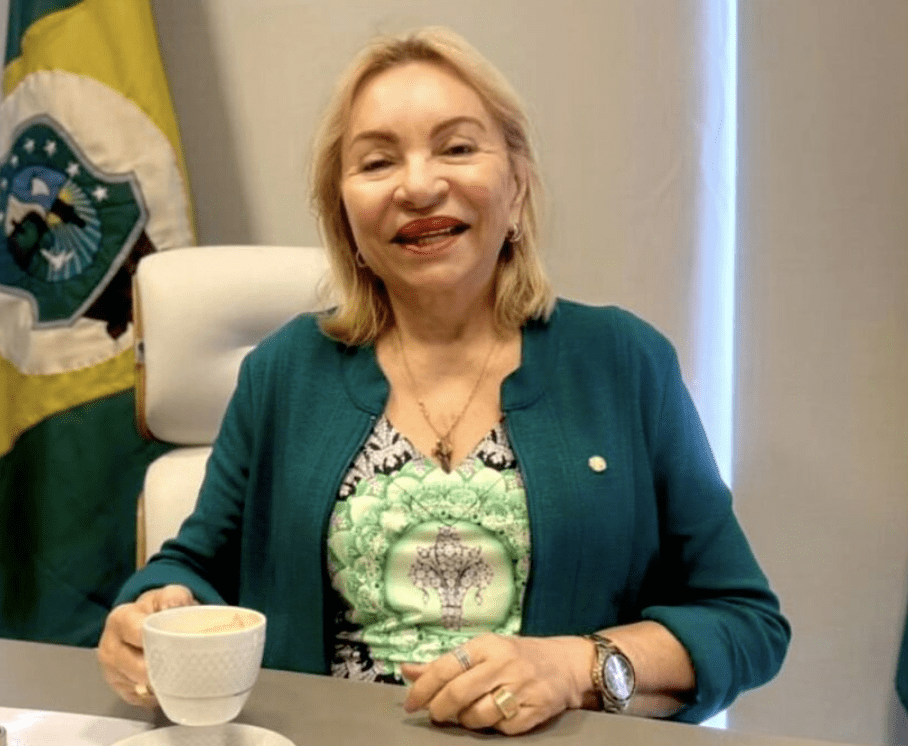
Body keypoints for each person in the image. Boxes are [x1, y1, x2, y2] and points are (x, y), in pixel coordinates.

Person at [97, 27, 790, 735]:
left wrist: (574, 667)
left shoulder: (625, 362)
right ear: (344, 214)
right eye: (377, 161)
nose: (420, 186)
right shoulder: (283, 372)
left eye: (457, 148)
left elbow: (744, 621)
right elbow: (194, 566)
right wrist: (154, 607)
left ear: (517, 185)